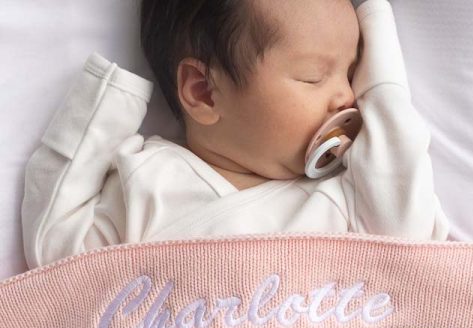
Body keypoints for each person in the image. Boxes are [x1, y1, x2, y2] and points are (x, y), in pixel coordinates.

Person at [21, 0, 450, 270]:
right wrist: (106, 109)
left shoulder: (351, 197)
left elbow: (410, 238)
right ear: (204, 91)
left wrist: (383, 83)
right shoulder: (145, 181)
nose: (346, 96)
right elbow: (56, 255)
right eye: (313, 77)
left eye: (354, 72)